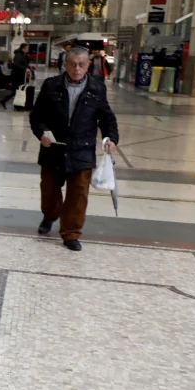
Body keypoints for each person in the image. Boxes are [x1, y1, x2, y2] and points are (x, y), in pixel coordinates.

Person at [29, 45, 119, 251]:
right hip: (54, 148)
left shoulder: (97, 88)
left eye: (81, 64)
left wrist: (111, 138)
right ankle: (50, 216)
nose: (77, 68)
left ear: (88, 65)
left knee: (78, 195)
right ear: (65, 65)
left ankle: (71, 233)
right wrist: (42, 133)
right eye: (72, 64)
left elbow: (106, 117)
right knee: (50, 192)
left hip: (82, 150)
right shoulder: (51, 85)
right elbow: (37, 115)